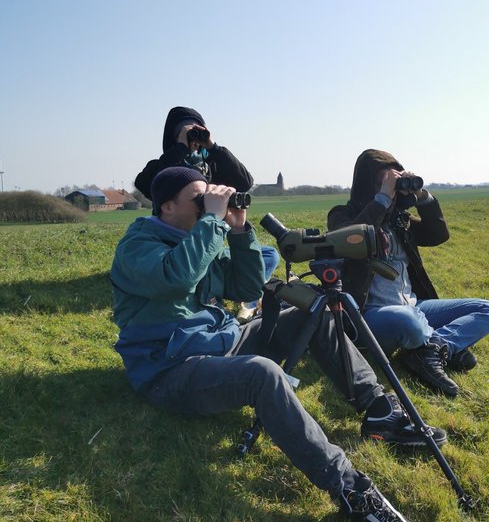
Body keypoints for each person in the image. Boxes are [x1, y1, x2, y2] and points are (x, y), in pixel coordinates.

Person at [111, 166, 447, 521]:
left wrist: (240, 232)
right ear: (166, 207)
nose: (207, 203)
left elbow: (247, 288)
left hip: (218, 342)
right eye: (198, 198)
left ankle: (380, 411)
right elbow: (176, 279)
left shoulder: (197, 238)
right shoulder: (137, 247)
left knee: (310, 311)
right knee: (262, 374)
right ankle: (348, 488)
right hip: (169, 368)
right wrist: (212, 221)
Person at [327, 149, 489, 397]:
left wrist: (424, 198)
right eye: (380, 183)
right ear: (366, 185)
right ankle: (441, 346)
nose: (388, 189)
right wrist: (381, 200)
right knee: (409, 323)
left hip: (414, 306)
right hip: (369, 314)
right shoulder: (341, 215)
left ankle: (433, 349)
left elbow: (437, 235)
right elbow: (353, 239)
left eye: (392, 183)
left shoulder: (399, 219)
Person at [134, 105, 278, 319]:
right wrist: (180, 149)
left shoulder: (211, 164)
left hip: (211, 246)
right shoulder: (161, 166)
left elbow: (244, 182)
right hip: (173, 246)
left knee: (269, 254)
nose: (194, 136)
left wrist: (213, 147)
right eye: (186, 131)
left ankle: (245, 298)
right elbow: (152, 183)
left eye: (198, 130)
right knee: (193, 271)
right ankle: (222, 294)